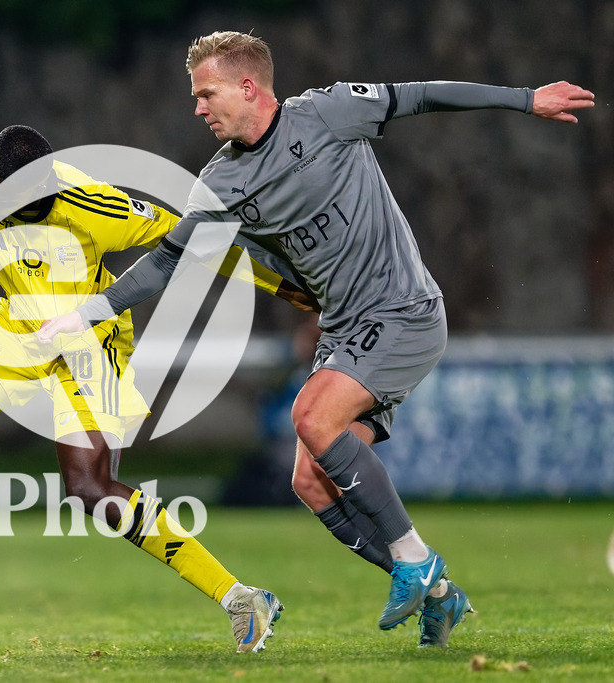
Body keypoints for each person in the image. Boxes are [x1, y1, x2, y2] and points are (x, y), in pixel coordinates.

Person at [38, 31, 594, 648]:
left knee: (311, 416)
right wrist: (92, 311)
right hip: (346, 331)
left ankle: (416, 559)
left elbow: (422, 96)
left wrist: (524, 99)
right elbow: (170, 259)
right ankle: (437, 595)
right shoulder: (220, 184)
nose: (198, 107)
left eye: (207, 93)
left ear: (248, 88)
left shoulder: (327, 113)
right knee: (309, 480)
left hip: (403, 310)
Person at [0, 124, 315, 654]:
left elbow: (199, 241)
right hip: (18, 328)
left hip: (87, 342)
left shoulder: (98, 208)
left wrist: (279, 283)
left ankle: (241, 598)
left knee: (89, 489)